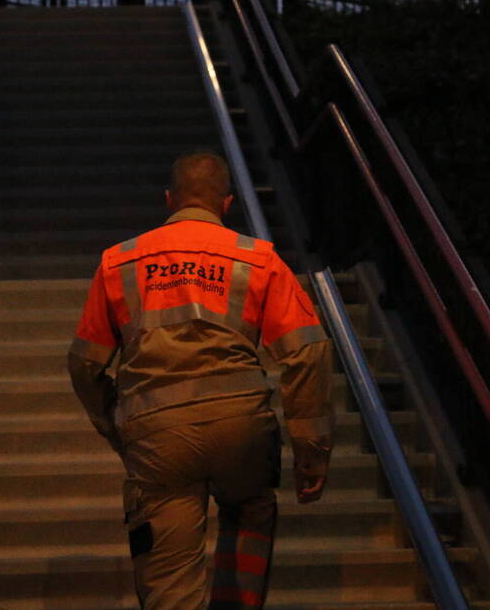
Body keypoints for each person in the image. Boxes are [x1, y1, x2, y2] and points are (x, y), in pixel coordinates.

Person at [67, 151, 333, 609]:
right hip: (242, 428)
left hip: (157, 434)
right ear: (227, 203)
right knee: (250, 511)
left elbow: (84, 365)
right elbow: (308, 352)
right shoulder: (259, 259)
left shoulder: (119, 262)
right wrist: (311, 451)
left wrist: (116, 424)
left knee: (168, 578)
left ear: (169, 200)